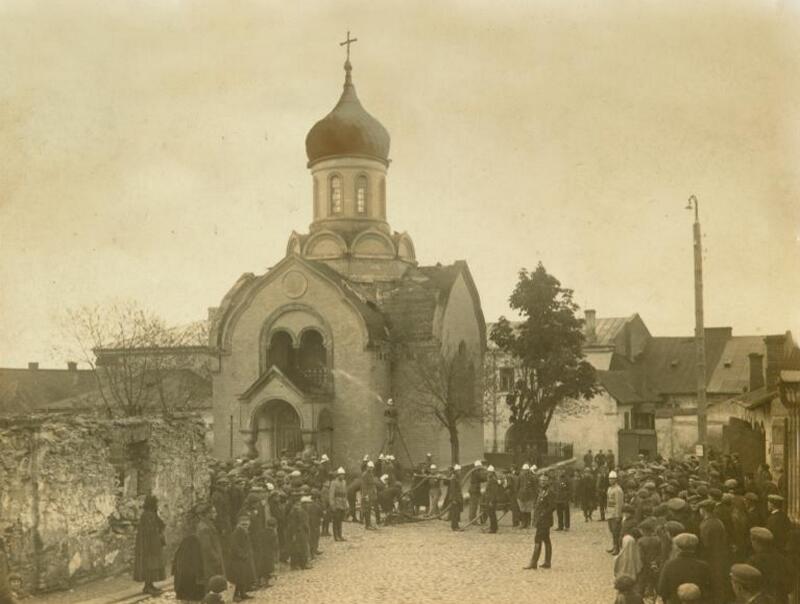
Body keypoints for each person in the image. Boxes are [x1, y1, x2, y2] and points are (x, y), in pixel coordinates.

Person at [657, 533, 712, 604]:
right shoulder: (703, 566)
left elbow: (662, 589)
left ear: (677, 548)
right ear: (695, 547)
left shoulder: (669, 565)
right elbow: (710, 589)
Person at [698, 499, 731, 604]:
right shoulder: (718, 522)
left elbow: (705, 544)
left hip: (710, 557)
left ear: (703, 510)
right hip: (720, 555)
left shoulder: (706, 525)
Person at [748, 527, 792, 604]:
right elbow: (790, 585)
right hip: (781, 600)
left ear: (756, 542)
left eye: (752, 540)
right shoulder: (783, 560)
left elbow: (749, 587)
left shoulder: (753, 561)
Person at [133, 495, 166, 596]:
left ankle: (150, 585)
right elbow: (149, 531)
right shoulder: (147, 515)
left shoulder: (152, 514)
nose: (157, 505)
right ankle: (147, 587)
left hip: (152, 544)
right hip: (148, 545)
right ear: (152, 504)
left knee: (152, 565)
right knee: (149, 566)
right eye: (155, 503)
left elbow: (161, 524)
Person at [523, 473, 555, 570]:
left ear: (548, 481)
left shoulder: (550, 492)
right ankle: (547, 562)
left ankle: (533, 563)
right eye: (541, 480)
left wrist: (543, 514)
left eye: (544, 480)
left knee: (537, 539)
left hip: (544, 520)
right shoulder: (540, 491)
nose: (542, 482)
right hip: (540, 520)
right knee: (546, 539)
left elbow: (552, 506)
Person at [194, 503, 226, 594]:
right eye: (213, 512)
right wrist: (216, 557)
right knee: (211, 579)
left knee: (214, 579)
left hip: (212, 558)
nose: (216, 514)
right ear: (207, 514)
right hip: (210, 560)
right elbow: (206, 547)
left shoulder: (208, 524)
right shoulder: (204, 527)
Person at [228, 513, 256, 602]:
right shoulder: (236, 533)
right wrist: (242, 555)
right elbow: (234, 546)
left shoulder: (245, 532)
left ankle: (243, 593)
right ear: (238, 524)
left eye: (247, 524)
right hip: (237, 559)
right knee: (238, 577)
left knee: (244, 575)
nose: (245, 526)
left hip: (244, 557)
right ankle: (235, 594)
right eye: (243, 524)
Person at [607, 471, 625, 555]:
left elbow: (619, 503)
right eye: (610, 479)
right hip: (610, 513)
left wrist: (618, 515)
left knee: (616, 531)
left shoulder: (618, 490)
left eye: (612, 479)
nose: (610, 480)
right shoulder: (610, 488)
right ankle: (614, 546)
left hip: (615, 513)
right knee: (612, 531)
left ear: (616, 480)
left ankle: (617, 547)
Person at [328, 467, 348, 542]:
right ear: (338, 475)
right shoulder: (334, 483)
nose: (343, 476)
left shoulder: (344, 482)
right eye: (341, 475)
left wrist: (346, 504)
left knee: (340, 520)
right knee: (336, 520)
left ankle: (340, 535)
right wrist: (332, 505)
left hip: (342, 503)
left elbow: (345, 494)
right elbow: (331, 495)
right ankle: (336, 536)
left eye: (343, 475)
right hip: (336, 503)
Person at [482, 466, 500, 534]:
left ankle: (493, 529)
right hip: (489, 500)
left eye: (489, 472)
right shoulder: (491, 479)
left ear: (491, 473)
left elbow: (494, 492)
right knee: (491, 514)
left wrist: (491, 501)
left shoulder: (492, 480)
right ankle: (494, 527)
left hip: (491, 500)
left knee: (492, 514)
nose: (488, 473)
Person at [361, 461, 378, 530]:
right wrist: (366, 495)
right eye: (370, 467)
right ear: (367, 467)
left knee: (370, 509)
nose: (371, 469)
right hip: (367, 494)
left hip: (371, 494)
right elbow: (364, 486)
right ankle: (367, 525)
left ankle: (370, 523)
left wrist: (375, 492)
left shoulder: (371, 474)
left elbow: (373, 484)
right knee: (366, 509)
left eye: (372, 468)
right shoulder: (364, 475)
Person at [446, 464, 463, 531]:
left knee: (457, 512)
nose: (460, 472)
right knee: (454, 513)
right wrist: (453, 499)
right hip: (455, 498)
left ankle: (456, 526)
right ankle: (454, 526)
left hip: (457, 498)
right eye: (459, 471)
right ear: (456, 471)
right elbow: (452, 489)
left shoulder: (457, 477)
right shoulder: (454, 478)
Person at [517, 463, 534, 528]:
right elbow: (517, 486)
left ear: (528, 470)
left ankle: (528, 523)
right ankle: (523, 523)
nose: (525, 471)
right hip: (521, 496)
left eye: (526, 470)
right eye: (524, 470)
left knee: (528, 510)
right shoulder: (520, 476)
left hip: (529, 496)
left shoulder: (531, 477)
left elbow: (534, 486)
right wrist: (518, 494)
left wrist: (533, 495)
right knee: (522, 510)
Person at [0, 537, 17, 604]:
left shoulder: (1, 554)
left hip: (2, 582)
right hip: (4, 582)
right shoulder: (3, 554)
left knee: (5, 597)